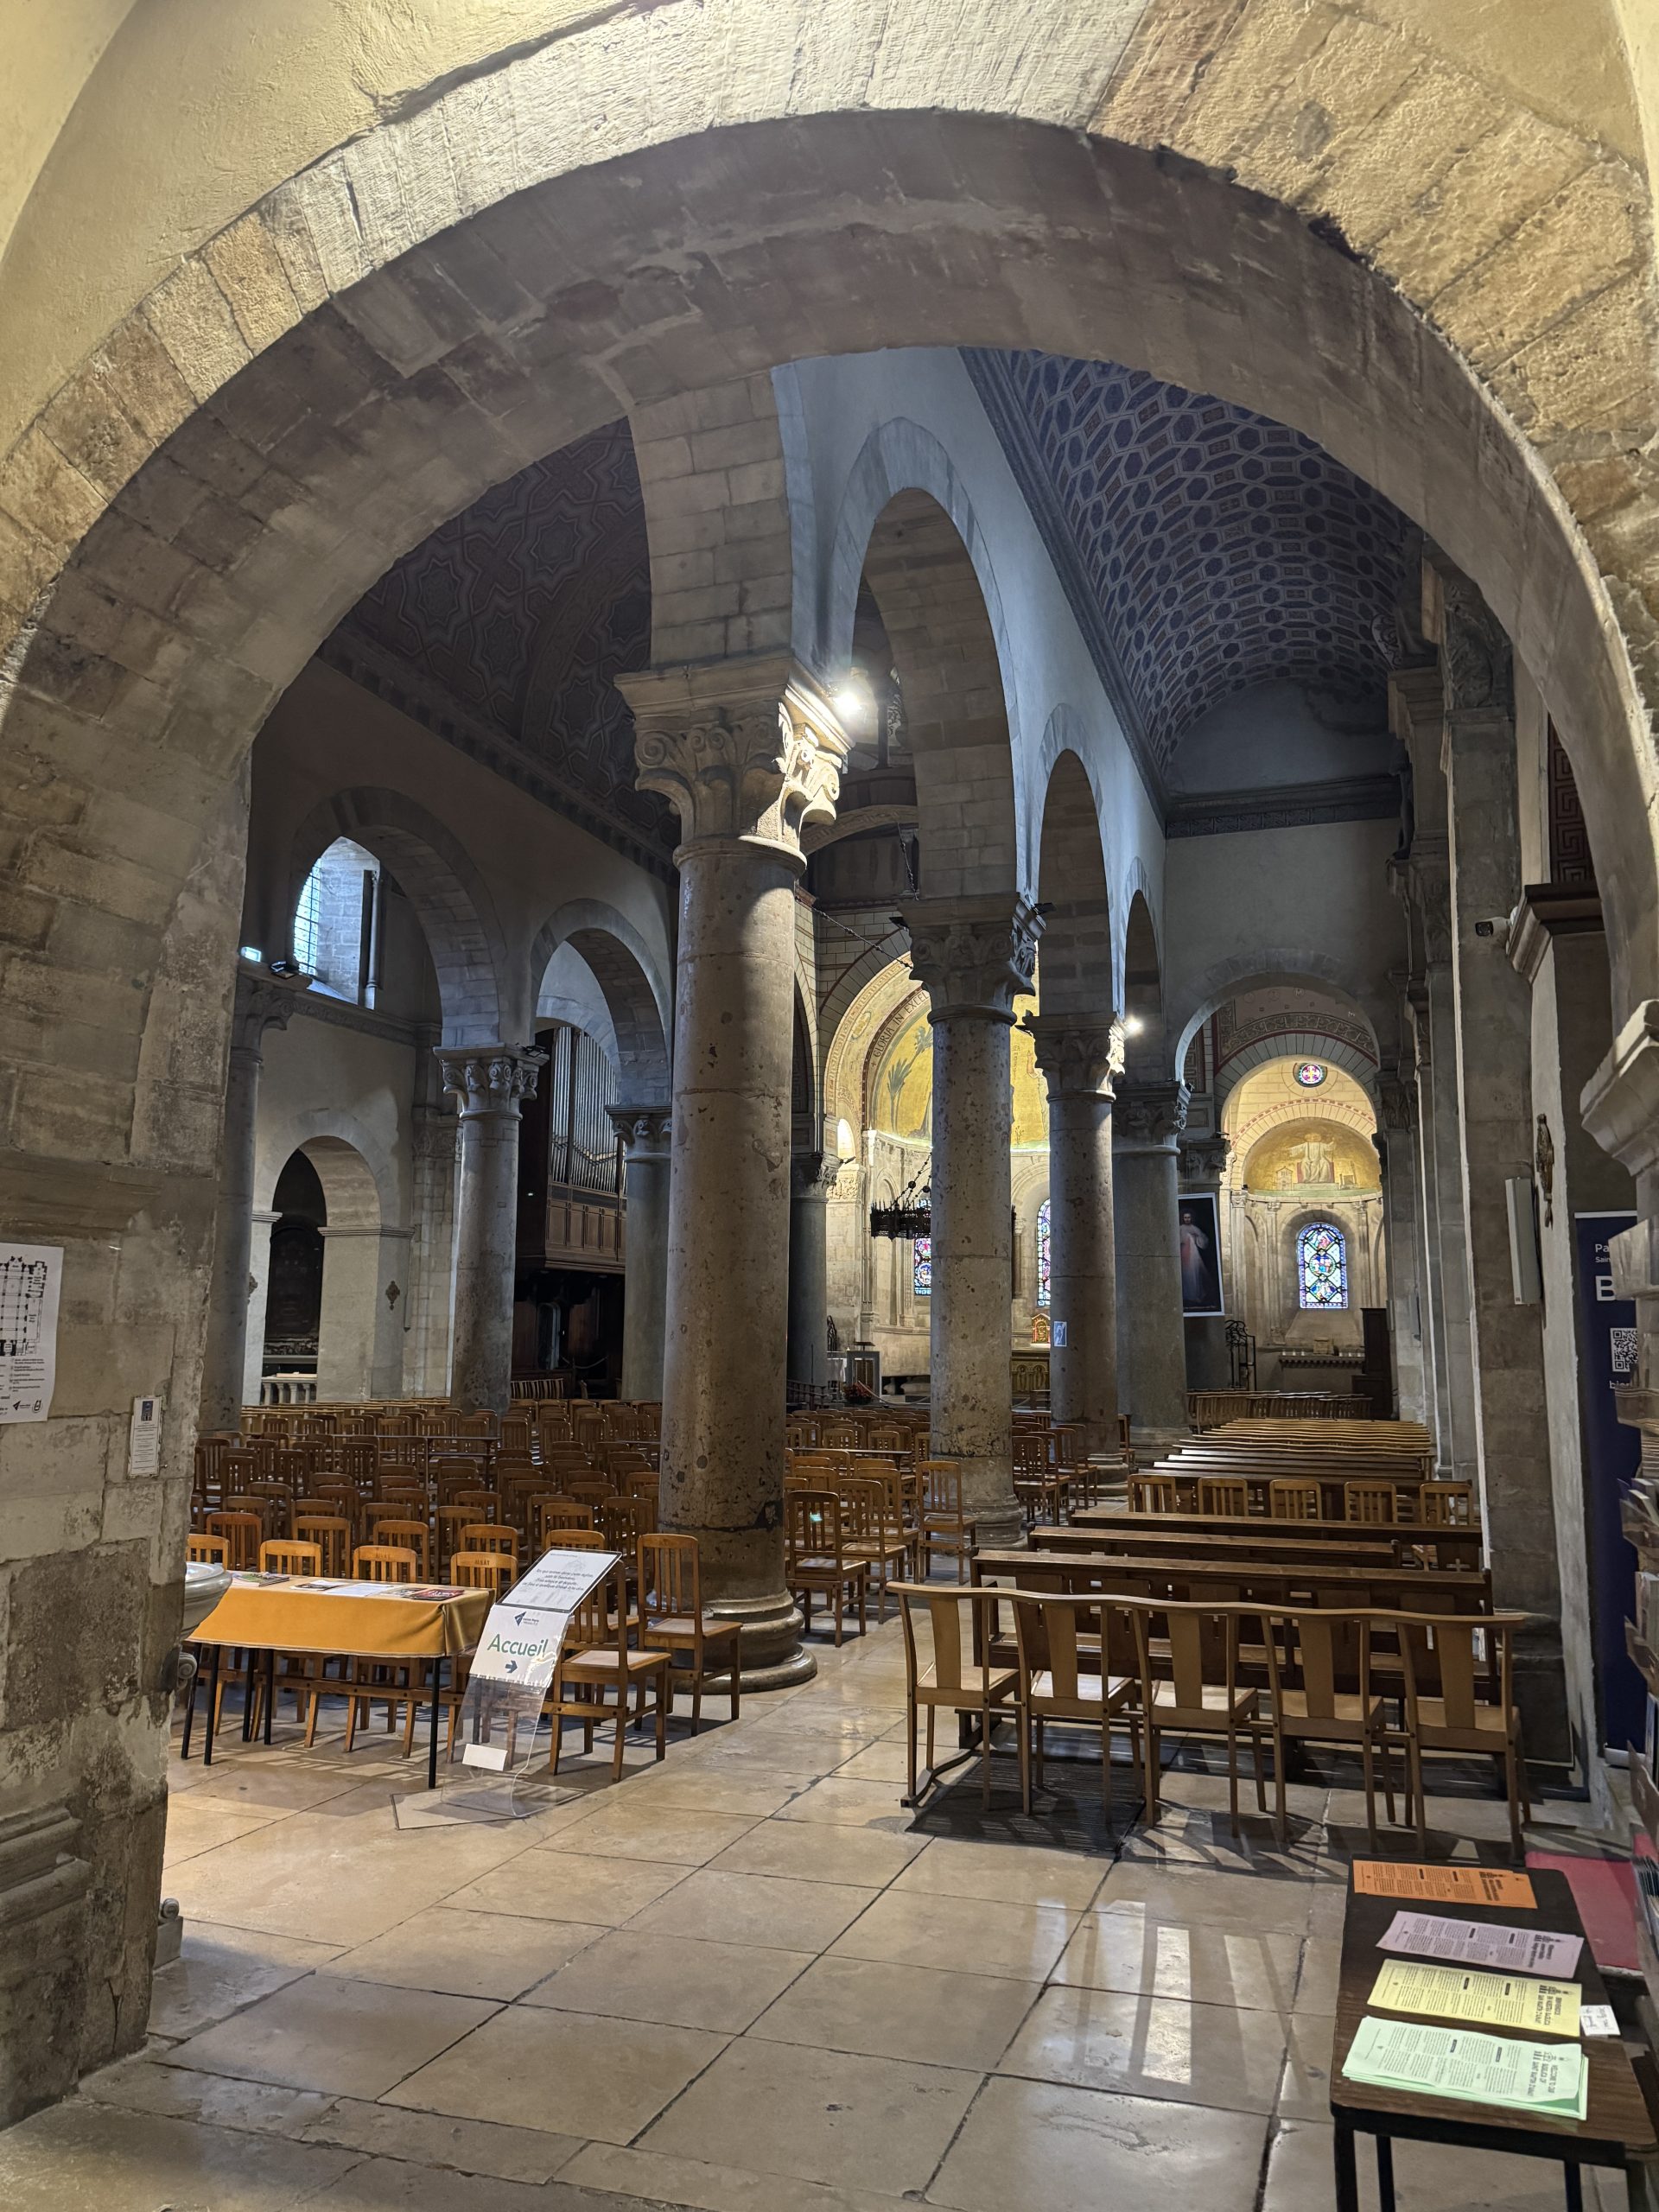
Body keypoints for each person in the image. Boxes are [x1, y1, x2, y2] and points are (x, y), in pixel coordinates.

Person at [1179, 1205, 1211, 1306]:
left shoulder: (1194, 1228)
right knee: (1185, 1275)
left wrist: (1196, 1237)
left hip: (1194, 1255)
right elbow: (1177, 1241)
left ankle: (1195, 1295)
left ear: (1191, 1218)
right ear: (1183, 1218)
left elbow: (1204, 1240)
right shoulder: (1180, 1228)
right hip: (1183, 1255)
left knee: (1195, 1274)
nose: (1187, 1219)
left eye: (1188, 1217)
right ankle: (1186, 1296)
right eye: (1185, 1217)